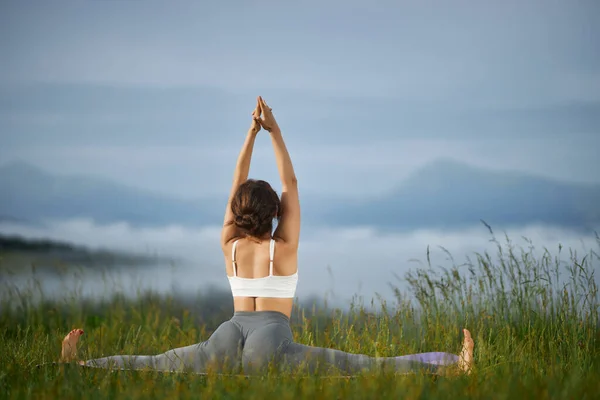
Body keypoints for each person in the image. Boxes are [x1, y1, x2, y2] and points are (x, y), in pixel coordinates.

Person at [60, 97, 474, 376]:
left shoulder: (231, 246)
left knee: (165, 361)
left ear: (238, 215)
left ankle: (82, 365)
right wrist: (274, 130)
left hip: (229, 331)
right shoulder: (285, 247)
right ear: (275, 214)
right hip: (272, 335)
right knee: (354, 363)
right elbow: (290, 181)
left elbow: (236, 181)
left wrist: (250, 135)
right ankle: (452, 364)